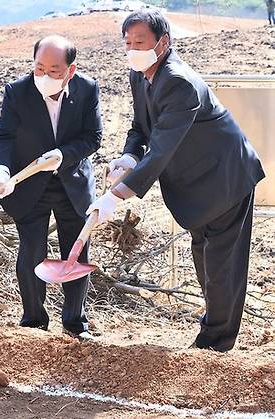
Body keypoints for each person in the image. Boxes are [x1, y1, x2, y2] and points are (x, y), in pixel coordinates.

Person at [88, 10, 265, 352]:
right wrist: (128, 155)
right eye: (127, 43)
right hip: (195, 183)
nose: (132, 49)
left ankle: (214, 345)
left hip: (224, 177)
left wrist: (115, 197)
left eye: (140, 42)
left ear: (163, 42)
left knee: (221, 265)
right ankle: (213, 331)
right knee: (204, 259)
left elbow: (162, 149)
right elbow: (141, 128)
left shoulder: (179, 81)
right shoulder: (139, 75)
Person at [0, 35, 102, 339]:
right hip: (30, 184)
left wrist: (64, 155)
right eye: (39, 68)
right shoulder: (18, 91)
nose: (44, 76)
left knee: (76, 253)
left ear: (70, 70)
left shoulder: (88, 89)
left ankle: (75, 324)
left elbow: (93, 137)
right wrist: (1, 169)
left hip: (71, 182)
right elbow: (2, 138)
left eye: (54, 70)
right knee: (31, 252)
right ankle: (34, 321)